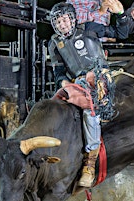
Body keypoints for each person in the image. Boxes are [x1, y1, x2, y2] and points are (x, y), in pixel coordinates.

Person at [48, 2, 114, 187]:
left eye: (65, 20)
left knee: (89, 109)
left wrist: (123, 15)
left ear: (73, 19)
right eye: (58, 22)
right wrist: (66, 84)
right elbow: (59, 72)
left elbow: (118, 32)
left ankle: (90, 162)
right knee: (58, 105)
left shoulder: (89, 29)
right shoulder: (54, 44)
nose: (63, 25)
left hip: (100, 76)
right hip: (77, 82)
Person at [67, 0, 134, 42]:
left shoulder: (106, 2)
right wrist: (100, 12)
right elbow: (70, 22)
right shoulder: (75, 1)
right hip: (81, 46)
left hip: (104, 47)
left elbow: (122, 34)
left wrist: (121, 13)